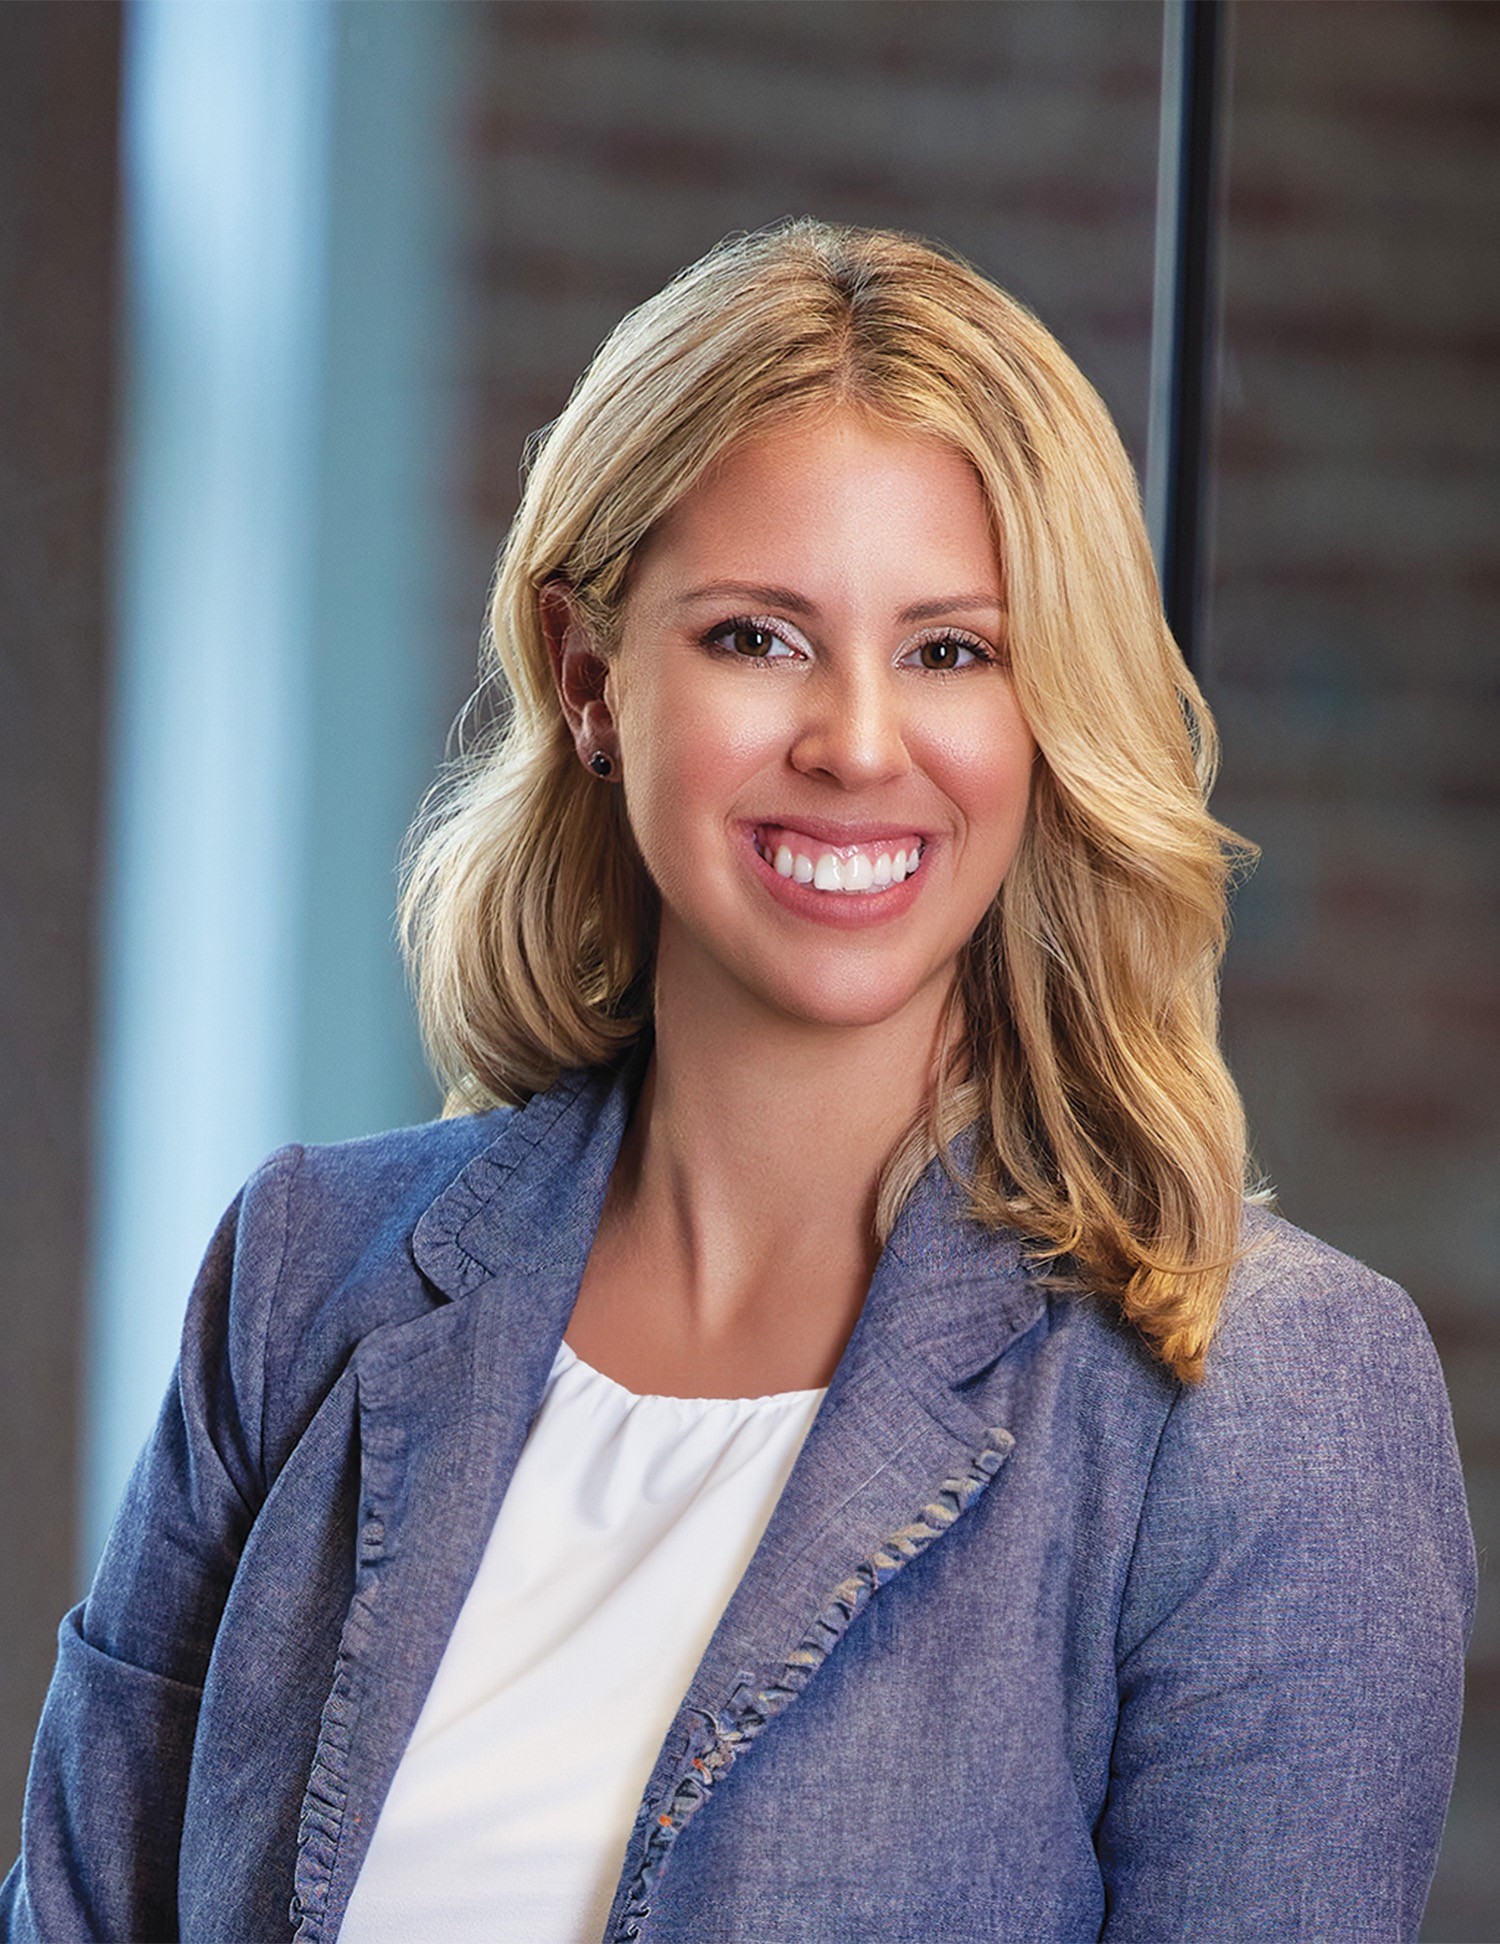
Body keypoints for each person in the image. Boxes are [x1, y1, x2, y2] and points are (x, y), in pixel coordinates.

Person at [2, 219, 1475, 1944]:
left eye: (954, 651)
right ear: (588, 675)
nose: (858, 740)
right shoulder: (304, 1281)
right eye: (760, 639)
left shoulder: (1258, 1402)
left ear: (1047, 714)